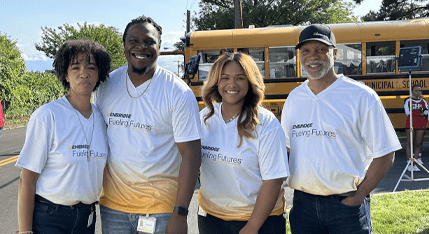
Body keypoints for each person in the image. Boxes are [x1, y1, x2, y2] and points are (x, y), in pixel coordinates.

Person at [281, 24, 402, 234]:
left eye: (321, 49)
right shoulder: (294, 98)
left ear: (334, 53)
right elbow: (287, 149)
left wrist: (359, 196)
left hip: (346, 206)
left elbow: (385, 154)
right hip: (303, 206)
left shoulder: (361, 96)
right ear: (299, 56)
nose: (313, 57)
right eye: (306, 51)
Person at [92, 15, 202, 234]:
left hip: (162, 210)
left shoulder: (177, 92)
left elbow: (191, 154)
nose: (140, 47)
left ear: (159, 47)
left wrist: (180, 214)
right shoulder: (106, 86)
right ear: (124, 45)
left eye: (149, 42)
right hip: (113, 209)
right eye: (133, 40)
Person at [15, 39, 111, 234]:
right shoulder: (47, 116)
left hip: (87, 217)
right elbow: (27, 179)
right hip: (50, 217)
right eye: (75, 67)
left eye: (91, 67)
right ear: (65, 74)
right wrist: (25, 231)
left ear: (99, 74)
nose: (83, 73)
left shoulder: (102, 118)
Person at [198, 52, 289, 234]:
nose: (232, 84)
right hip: (212, 219)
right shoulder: (204, 117)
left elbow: (273, 180)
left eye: (240, 78)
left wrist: (252, 227)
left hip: (259, 222)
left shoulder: (266, 123)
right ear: (216, 81)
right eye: (225, 78)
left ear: (250, 82)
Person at [404, 84, 428, 171]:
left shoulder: (423, 101)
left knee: (418, 143)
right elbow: (407, 112)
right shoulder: (408, 100)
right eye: (416, 90)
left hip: (420, 123)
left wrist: (422, 111)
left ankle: (415, 163)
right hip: (410, 122)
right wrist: (420, 111)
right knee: (410, 142)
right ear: (412, 91)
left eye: (420, 91)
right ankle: (409, 162)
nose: (418, 92)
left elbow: (427, 111)